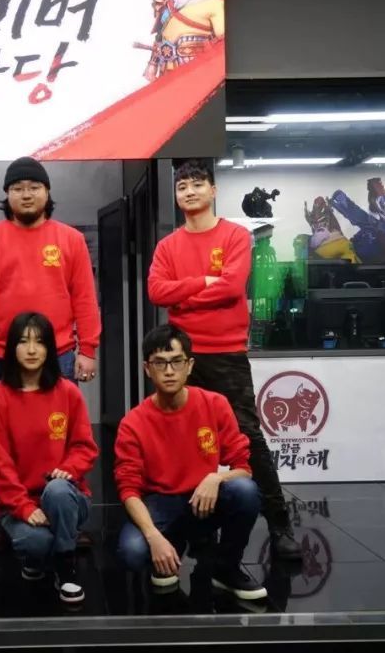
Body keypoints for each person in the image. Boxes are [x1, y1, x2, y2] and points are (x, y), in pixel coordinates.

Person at [147, 158, 302, 560]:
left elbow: (232, 288)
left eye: (198, 184)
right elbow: (157, 292)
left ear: (213, 191)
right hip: (183, 357)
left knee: (248, 438)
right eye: (182, 187)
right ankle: (201, 533)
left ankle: (280, 525)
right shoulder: (168, 246)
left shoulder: (234, 235)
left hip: (227, 354)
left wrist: (184, 296)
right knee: (189, 441)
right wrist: (202, 282)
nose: (190, 192)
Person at [0, 157, 101, 551]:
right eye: (18, 188)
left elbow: (84, 298)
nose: (26, 194)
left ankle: (66, 514)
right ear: (7, 194)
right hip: (1, 356)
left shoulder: (69, 239)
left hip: (61, 355)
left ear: (47, 192)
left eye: (34, 187)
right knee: (5, 442)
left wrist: (88, 348)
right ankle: (3, 517)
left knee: (62, 438)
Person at [115, 325, 266, 601]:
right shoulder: (133, 422)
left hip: (203, 499)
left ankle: (226, 567)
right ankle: (171, 544)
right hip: (160, 502)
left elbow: (243, 469)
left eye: (176, 361)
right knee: (132, 552)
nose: (169, 371)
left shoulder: (215, 404)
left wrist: (216, 478)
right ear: (147, 369)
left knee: (245, 491)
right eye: (160, 363)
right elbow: (128, 490)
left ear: (190, 365)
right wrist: (153, 537)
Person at [0, 312, 99, 604]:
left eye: (40, 342)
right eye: (23, 342)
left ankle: (66, 565)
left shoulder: (67, 391)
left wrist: (68, 469)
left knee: (57, 491)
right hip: (18, 502)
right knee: (36, 542)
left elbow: (85, 447)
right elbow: (0, 463)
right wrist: (22, 506)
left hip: (66, 497)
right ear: (11, 348)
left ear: (50, 348)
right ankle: (38, 557)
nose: (32, 350)